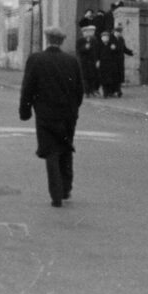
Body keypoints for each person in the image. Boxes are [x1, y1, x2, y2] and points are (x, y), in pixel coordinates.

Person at [19, 27, 84, 208]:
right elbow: (80, 90)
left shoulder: (36, 60)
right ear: (62, 41)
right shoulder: (72, 61)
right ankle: (66, 188)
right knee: (66, 147)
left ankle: (56, 195)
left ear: (47, 39)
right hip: (68, 115)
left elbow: (28, 88)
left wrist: (25, 111)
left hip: (46, 115)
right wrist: (74, 109)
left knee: (51, 152)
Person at [75, 25, 101, 97]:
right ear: (83, 33)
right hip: (84, 62)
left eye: (87, 32)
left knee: (93, 76)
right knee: (85, 77)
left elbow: (97, 51)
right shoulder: (80, 41)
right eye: (85, 32)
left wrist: (98, 60)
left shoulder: (94, 40)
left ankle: (93, 90)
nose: (86, 33)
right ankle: (87, 92)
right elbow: (78, 50)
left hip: (92, 61)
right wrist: (85, 48)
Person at [97, 29, 123, 97]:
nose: (105, 38)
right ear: (101, 38)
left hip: (111, 64)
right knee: (104, 79)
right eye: (103, 37)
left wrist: (115, 48)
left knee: (113, 78)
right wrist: (97, 61)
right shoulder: (99, 45)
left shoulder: (112, 44)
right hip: (103, 64)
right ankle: (105, 92)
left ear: (109, 38)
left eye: (106, 37)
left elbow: (118, 52)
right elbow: (96, 54)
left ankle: (115, 91)